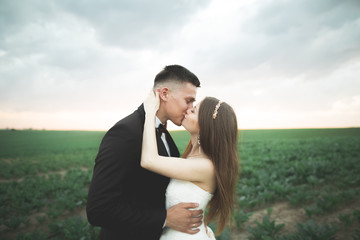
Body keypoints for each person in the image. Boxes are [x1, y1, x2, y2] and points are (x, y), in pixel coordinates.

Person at [86, 65, 203, 240]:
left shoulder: (164, 134)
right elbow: (99, 210)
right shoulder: (126, 133)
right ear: (164, 94)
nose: (190, 108)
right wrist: (165, 219)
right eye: (188, 100)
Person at [141, 90, 239, 239]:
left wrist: (149, 112)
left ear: (206, 125)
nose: (187, 110)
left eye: (194, 111)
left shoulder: (206, 167)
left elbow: (149, 160)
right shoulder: (193, 156)